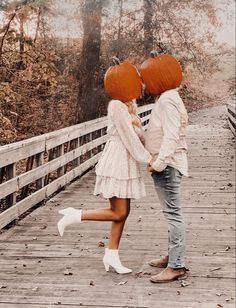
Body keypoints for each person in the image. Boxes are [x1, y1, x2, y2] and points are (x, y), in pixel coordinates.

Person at [57, 99, 152, 274]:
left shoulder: (129, 104)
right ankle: (75, 215)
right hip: (117, 161)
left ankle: (112, 254)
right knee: (119, 211)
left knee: (123, 212)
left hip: (127, 161)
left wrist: (138, 125)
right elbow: (129, 138)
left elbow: (138, 137)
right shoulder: (116, 105)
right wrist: (148, 158)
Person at [145, 87, 189, 283]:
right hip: (167, 164)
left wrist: (159, 164)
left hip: (168, 165)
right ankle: (172, 256)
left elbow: (171, 136)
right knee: (170, 213)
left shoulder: (167, 100)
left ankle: (176, 266)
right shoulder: (168, 97)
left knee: (173, 214)